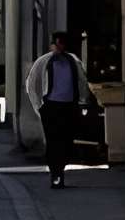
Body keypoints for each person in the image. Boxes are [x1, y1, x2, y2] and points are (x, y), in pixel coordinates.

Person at [24, 28, 95, 189]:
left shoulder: (73, 61)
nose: (59, 47)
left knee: (67, 141)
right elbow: (32, 83)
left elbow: (82, 82)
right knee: (53, 141)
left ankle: (60, 169)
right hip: (51, 107)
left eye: (62, 44)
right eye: (57, 44)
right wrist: (39, 106)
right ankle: (55, 174)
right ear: (52, 45)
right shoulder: (44, 62)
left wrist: (83, 101)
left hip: (69, 107)